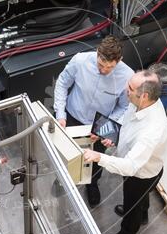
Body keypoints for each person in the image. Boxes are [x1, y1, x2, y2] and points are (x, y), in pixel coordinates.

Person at [83, 70, 167, 234]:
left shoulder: (151, 131)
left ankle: (127, 233)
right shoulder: (142, 102)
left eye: (129, 88)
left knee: (132, 203)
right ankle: (142, 215)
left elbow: (130, 167)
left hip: (141, 175)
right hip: (144, 167)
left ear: (144, 95)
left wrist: (99, 156)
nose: (125, 90)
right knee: (140, 200)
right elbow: (128, 122)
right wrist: (108, 132)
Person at [54, 36, 133, 206]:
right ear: (97, 53)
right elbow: (62, 84)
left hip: (101, 123)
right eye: (100, 65)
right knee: (66, 154)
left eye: (109, 67)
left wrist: (107, 128)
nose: (104, 70)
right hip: (72, 116)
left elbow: (125, 107)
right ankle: (62, 178)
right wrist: (60, 115)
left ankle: (92, 183)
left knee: (96, 159)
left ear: (119, 61)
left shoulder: (128, 77)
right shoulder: (80, 61)